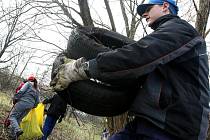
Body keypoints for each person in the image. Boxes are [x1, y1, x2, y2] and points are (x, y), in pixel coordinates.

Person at [50, 0, 210, 139]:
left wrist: (83, 69)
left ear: (165, 6)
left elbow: (138, 56)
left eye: (148, 9)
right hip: (146, 123)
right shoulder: (167, 36)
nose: (144, 14)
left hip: (174, 130)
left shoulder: (181, 30)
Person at [9, 75, 40, 139]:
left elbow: (21, 91)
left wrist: (15, 98)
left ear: (29, 80)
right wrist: (33, 106)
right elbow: (37, 101)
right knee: (18, 119)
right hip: (30, 106)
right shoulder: (37, 89)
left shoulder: (28, 84)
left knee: (12, 116)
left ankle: (17, 130)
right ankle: (13, 136)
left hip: (22, 102)